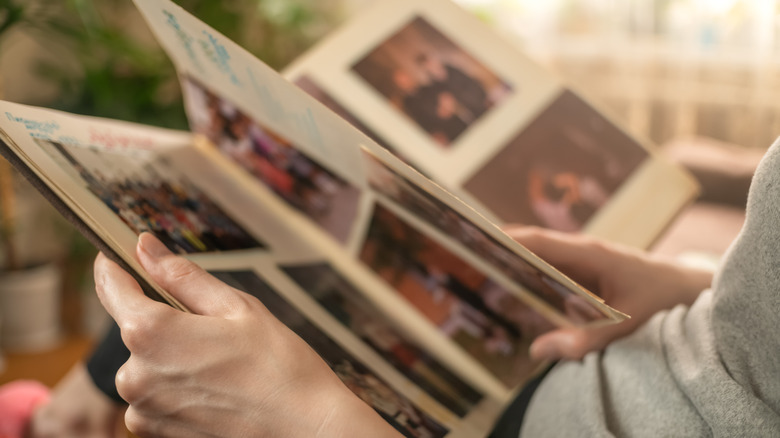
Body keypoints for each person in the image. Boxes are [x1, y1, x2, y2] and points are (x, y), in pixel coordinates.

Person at [25, 138, 780, 436]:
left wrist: (312, 421)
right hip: (600, 362)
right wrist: (697, 284)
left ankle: (68, 407)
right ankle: (77, 402)